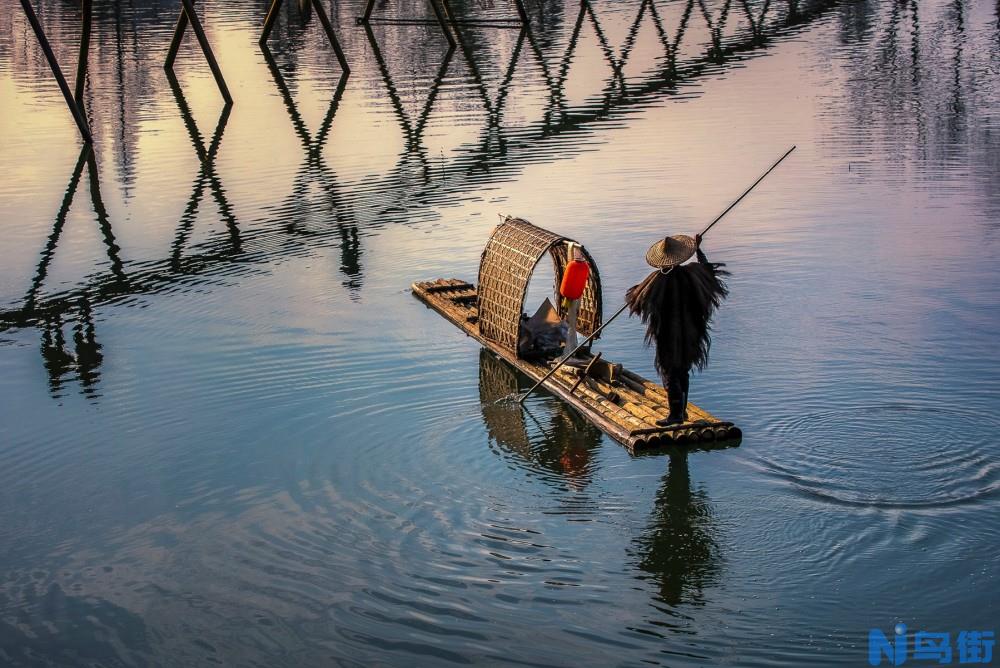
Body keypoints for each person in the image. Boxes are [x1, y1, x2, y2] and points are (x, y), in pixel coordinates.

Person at [625, 233, 729, 425]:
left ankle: (675, 415)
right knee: (682, 371)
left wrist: (633, 293)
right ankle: (682, 412)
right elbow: (709, 271)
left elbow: (635, 299)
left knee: (669, 372)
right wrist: (698, 249)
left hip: (668, 335)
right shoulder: (693, 273)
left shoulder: (657, 280)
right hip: (691, 333)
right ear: (681, 256)